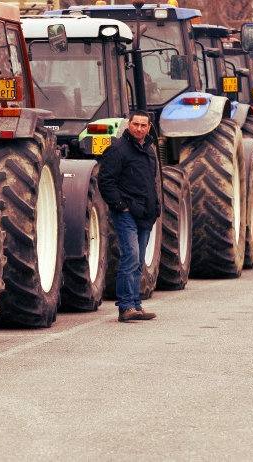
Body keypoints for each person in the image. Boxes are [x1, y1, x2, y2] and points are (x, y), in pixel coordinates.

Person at [98, 110, 160, 322]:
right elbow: (106, 180)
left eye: (143, 125)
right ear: (128, 125)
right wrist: (120, 206)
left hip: (146, 213)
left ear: (149, 127)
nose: (139, 129)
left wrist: (156, 206)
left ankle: (135, 304)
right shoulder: (117, 149)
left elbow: (151, 183)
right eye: (135, 124)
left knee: (139, 260)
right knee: (130, 256)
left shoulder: (150, 151)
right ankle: (125, 306)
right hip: (126, 213)